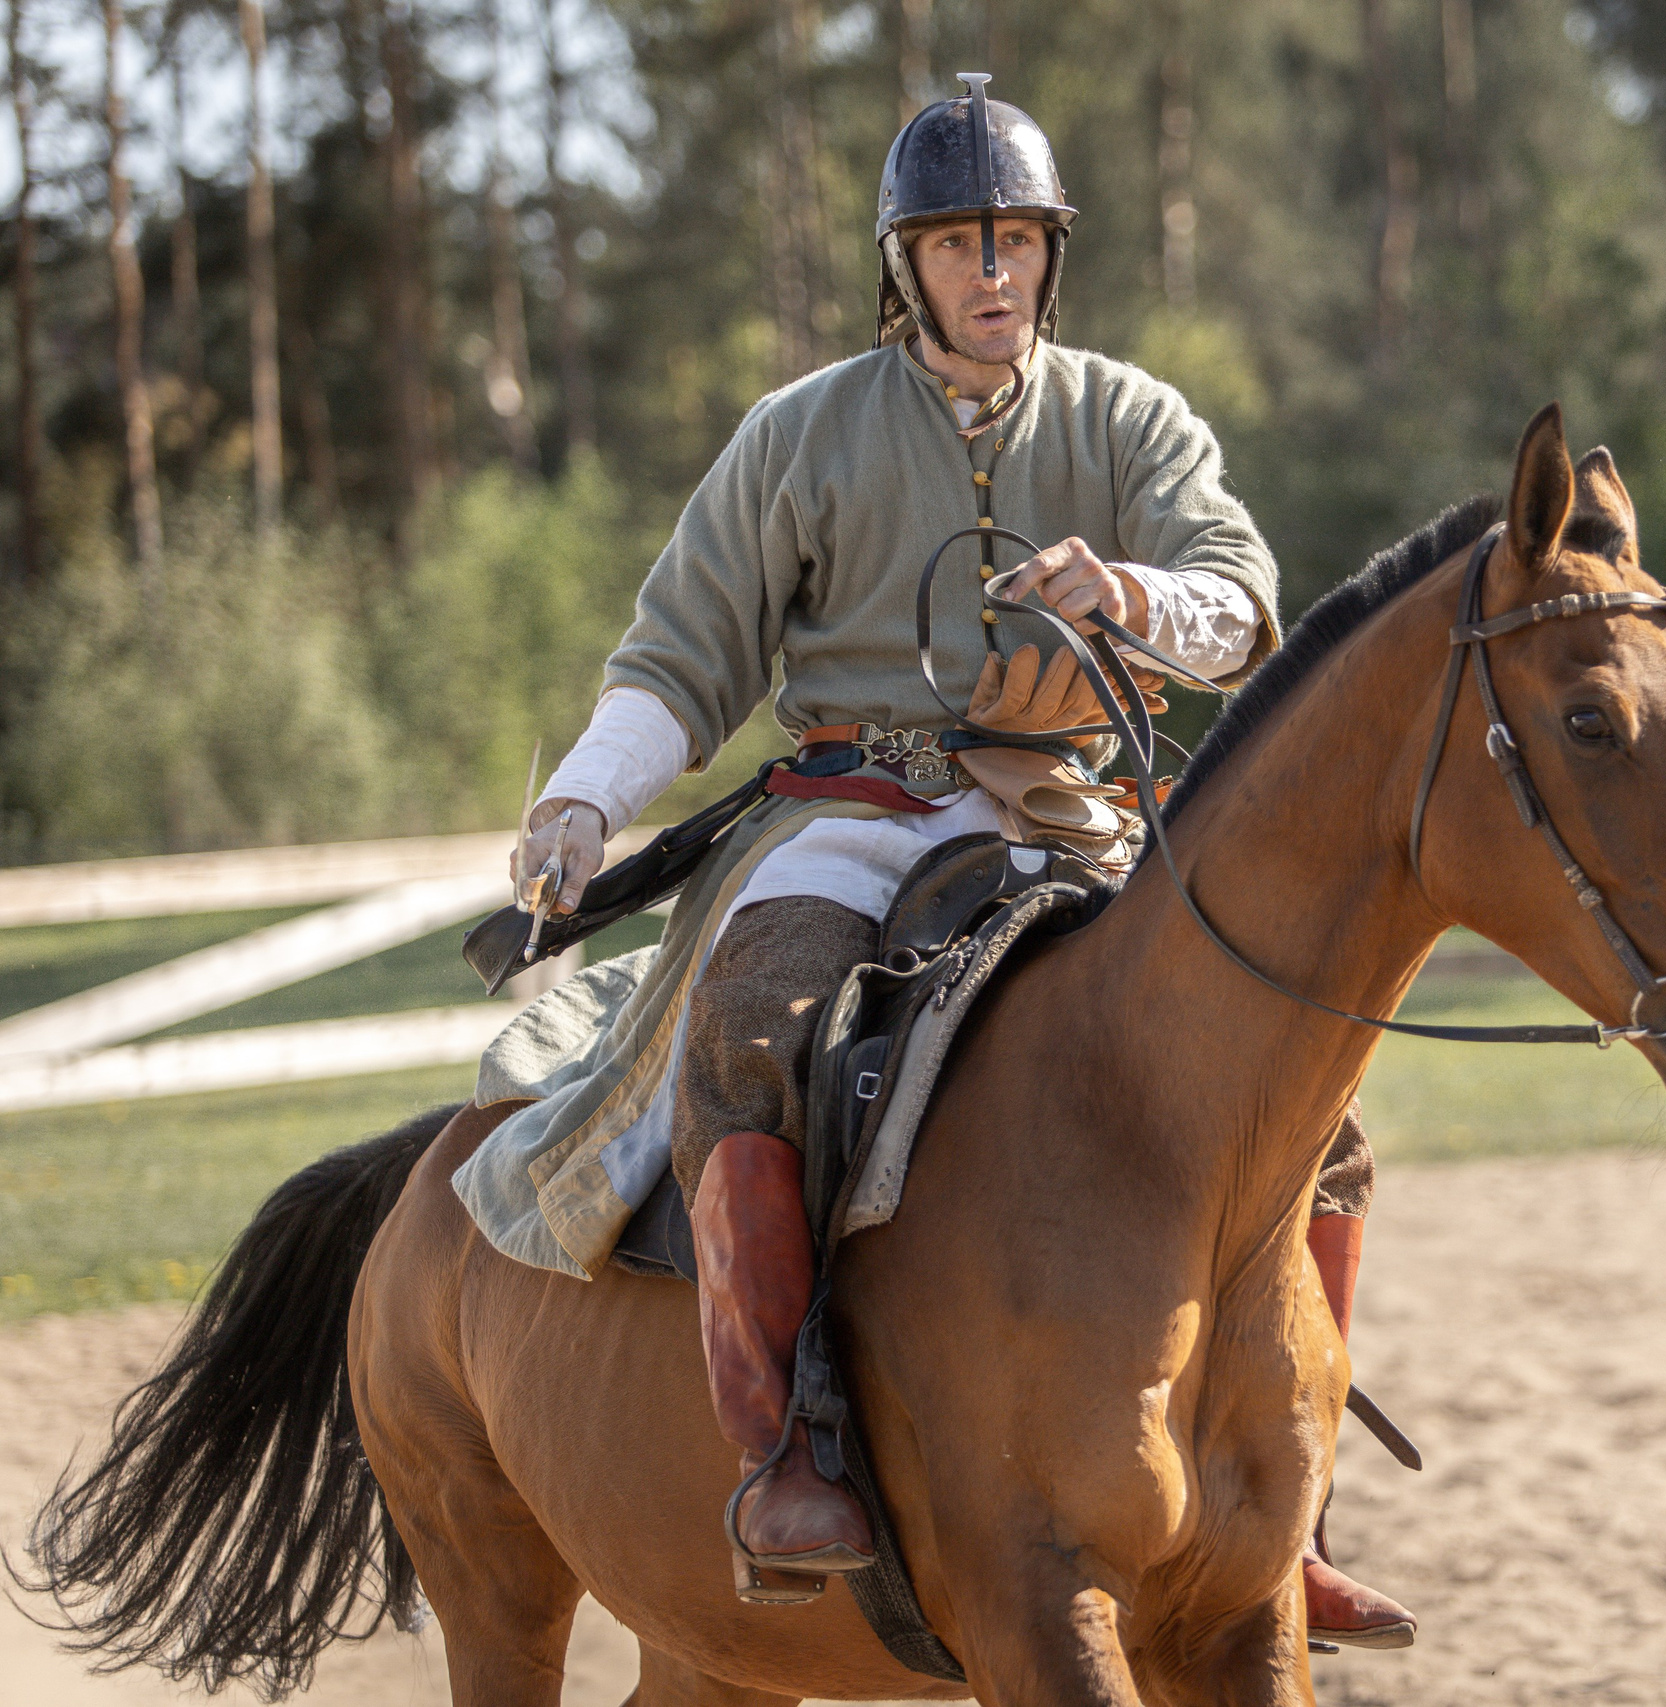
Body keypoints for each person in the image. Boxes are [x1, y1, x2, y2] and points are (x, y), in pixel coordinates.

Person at [508, 75, 1417, 1648]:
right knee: (752, 1029)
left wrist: (1131, 594)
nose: (991, 270)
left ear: (1051, 253)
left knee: (1310, 1113)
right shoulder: (797, 435)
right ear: (904, 265)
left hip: (1075, 818)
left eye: (1015, 239)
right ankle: (790, 1448)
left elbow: (1241, 603)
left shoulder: (1131, 417)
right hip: (850, 819)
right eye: (955, 243)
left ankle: (1292, 1506)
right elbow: (680, 658)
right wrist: (588, 798)